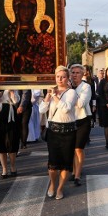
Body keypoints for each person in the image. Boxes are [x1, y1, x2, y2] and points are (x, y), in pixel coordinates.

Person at [40, 66, 78, 199]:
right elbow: (41, 110)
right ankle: (52, 183)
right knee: (52, 164)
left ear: (67, 79)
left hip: (68, 132)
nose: (60, 79)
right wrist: (47, 97)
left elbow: (66, 109)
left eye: (63, 77)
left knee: (66, 163)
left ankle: (60, 188)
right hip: (53, 131)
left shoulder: (71, 93)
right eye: (57, 76)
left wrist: (55, 96)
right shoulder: (51, 92)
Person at [70, 64, 92, 186]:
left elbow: (80, 104)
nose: (75, 75)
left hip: (83, 119)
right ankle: (73, 171)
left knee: (78, 148)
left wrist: (71, 92)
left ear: (83, 74)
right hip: (70, 120)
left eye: (78, 72)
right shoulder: (67, 86)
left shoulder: (86, 87)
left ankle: (77, 175)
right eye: (73, 72)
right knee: (72, 148)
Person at [0, 86, 21, 178]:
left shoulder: (12, 86)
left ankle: (13, 166)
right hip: (0, 115)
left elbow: (16, 100)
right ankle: (4, 168)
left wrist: (11, 91)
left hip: (11, 114)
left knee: (12, 142)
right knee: (1, 144)